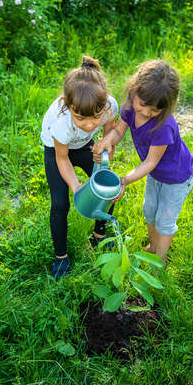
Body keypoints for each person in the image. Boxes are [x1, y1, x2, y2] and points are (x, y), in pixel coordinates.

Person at [92, 59, 193, 266]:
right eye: (143, 105)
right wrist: (107, 140)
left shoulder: (163, 126)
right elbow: (120, 130)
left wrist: (123, 180)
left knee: (165, 219)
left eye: (154, 110)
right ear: (134, 90)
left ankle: (160, 259)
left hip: (177, 177)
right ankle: (153, 245)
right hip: (157, 175)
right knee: (150, 211)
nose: (147, 112)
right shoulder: (131, 107)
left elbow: (150, 163)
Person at [41, 56, 118, 280]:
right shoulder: (62, 122)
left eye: (95, 117)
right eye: (80, 118)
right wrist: (77, 188)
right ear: (68, 105)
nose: (89, 124)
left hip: (84, 145)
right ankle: (61, 258)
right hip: (57, 149)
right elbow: (63, 159)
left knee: (106, 188)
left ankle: (98, 237)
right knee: (60, 203)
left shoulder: (110, 105)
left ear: (104, 106)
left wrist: (104, 151)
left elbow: (108, 133)